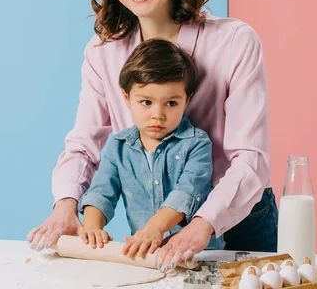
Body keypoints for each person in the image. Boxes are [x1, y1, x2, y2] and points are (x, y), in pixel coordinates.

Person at [27, 0, 277, 270]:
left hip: (238, 222)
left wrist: (203, 224)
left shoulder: (235, 42)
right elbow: (85, 143)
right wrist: (66, 205)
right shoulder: (102, 53)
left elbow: (250, 159)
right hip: (151, 230)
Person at [79, 39, 222, 272]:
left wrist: (156, 227)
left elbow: (187, 191)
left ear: (187, 100)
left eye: (171, 103)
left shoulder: (196, 143)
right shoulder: (118, 146)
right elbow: (101, 191)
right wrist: (92, 227)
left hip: (201, 257)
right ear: (127, 98)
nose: (158, 115)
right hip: (148, 259)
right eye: (146, 102)